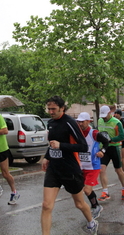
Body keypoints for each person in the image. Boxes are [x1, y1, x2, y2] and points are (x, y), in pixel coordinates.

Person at [41, 96, 98, 235]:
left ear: (62, 108)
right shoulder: (50, 123)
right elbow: (53, 143)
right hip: (54, 169)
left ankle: (91, 222)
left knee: (79, 204)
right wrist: (47, 157)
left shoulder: (70, 123)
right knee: (46, 205)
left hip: (70, 170)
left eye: (53, 109)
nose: (51, 112)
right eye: (49, 109)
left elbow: (83, 146)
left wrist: (61, 145)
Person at [76, 112, 109, 220]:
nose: (80, 123)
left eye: (82, 121)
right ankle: (95, 206)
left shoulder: (94, 133)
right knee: (82, 188)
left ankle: (96, 206)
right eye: (78, 121)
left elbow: (106, 142)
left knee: (87, 190)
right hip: (81, 166)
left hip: (93, 166)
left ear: (88, 121)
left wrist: (102, 151)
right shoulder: (77, 133)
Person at [97, 105, 124, 201]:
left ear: (109, 113)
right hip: (104, 148)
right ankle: (105, 192)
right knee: (101, 169)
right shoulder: (100, 120)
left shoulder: (116, 122)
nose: (103, 117)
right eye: (102, 115)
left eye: (105, 115)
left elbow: (121, 136)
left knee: (118, 170)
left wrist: (111, 140)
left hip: (114, 148)